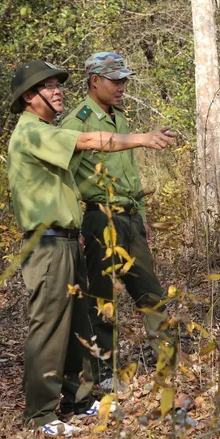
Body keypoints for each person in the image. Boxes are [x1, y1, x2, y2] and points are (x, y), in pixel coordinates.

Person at [6, 59, 175, 436]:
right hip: (46, 244)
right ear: (29, 97)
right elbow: (86, 140)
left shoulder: (44, 129)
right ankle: (40, 416)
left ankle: (80, 400)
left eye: (58, 85)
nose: (57, 90)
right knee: (50, 329)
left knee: (78, 323)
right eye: (48, 87)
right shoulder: (31, 131)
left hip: (67, 240)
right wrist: (142, 139)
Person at [61, 52, 171, 389]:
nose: (122, 86)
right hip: (99, 219)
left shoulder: (118, 117)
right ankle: (104, 371)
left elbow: (130, 173)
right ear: (95, 81)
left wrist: (142, 215)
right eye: (115, 80)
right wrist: (75, 223)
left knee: (150, 292)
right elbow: (61, 177)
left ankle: (168, 361)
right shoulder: (76, 122)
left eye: (124, 79)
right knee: (103, 299)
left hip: (130, 219)